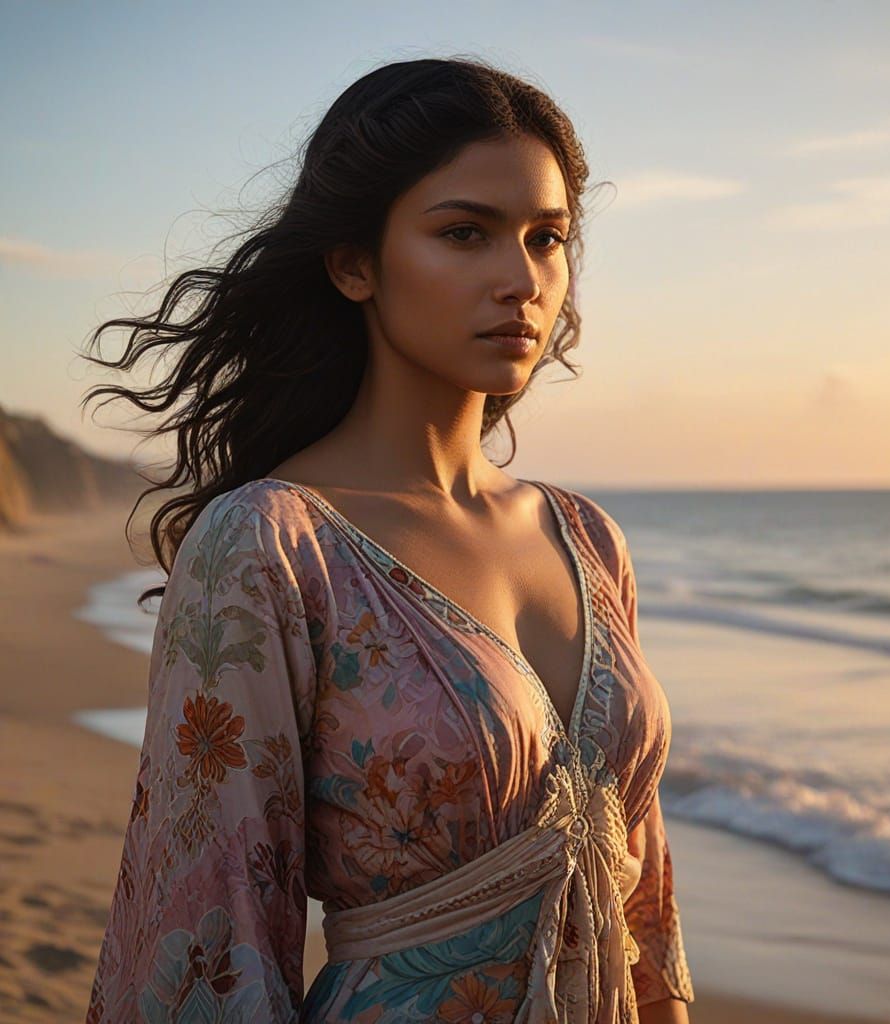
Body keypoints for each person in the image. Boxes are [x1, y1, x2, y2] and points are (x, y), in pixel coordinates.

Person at [81, 55, 695, 1023]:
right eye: (465, 233)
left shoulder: (584, 536)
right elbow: (213, 930)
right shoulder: (269, 546)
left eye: (547, 238)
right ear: (352, 262)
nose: (521, 279)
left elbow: (643, 904)